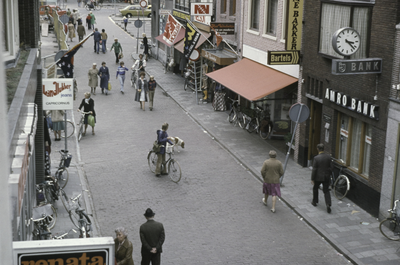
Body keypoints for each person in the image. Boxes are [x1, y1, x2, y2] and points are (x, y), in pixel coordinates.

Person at [311, 143, 333, 213]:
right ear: (324, 149)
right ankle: (328, 204)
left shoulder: (316, 158)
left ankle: (315, 201)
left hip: (318, 177)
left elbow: (314, 169)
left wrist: (312, 179)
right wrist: (328, 173)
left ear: (317, 149)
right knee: (326, 190)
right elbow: (332, 167)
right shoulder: (328, 157)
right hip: (326, 177)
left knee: (315, 188)